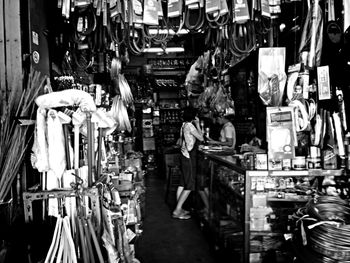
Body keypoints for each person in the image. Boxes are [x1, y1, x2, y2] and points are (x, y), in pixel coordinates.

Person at [173, 107, 204, 220]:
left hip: (183, 155)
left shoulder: (183, 125)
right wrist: (198, 124)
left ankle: (179, 207)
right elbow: (201, 138)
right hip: (188, 157)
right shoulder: (190, 126)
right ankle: (177, 210)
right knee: (190, 185)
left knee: (182, 183)